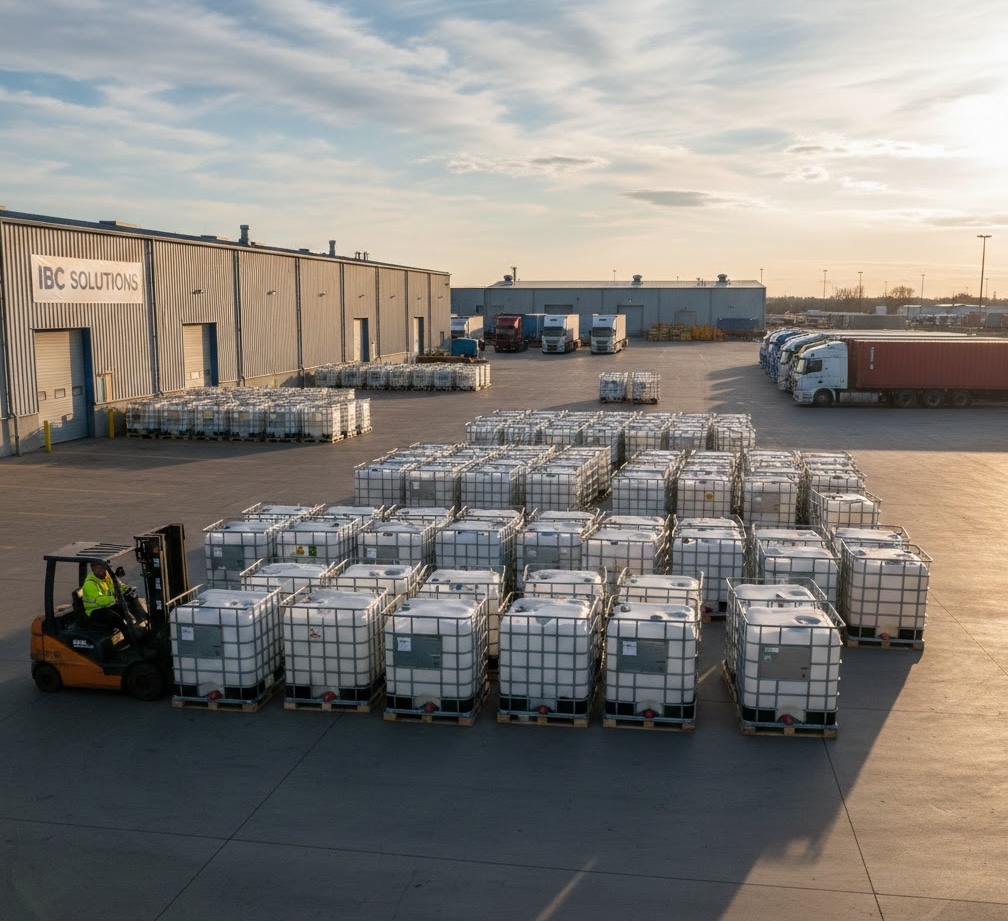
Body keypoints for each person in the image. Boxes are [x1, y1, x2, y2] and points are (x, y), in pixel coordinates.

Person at [80, 561, 142, 643]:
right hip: (94, 610)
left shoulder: (107, 576)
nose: (104, 569)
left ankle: (137, 629)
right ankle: (131, 641)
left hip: (106, 605)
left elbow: (117, 585)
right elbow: (98, 600)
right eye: (100, 568)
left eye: (104, 567)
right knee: (116, 618)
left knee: (125, 610)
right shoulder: (90, 584)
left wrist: (127, 589)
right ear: (94, 569)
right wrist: (114, 598)